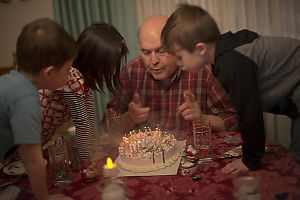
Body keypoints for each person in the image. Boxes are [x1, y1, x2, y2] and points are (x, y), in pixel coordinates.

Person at [161, 4, 300, 171]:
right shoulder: (227, 54)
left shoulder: (231, 63)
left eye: (179, 57)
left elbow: (249, 114)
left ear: (200, 49)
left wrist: (249, 162)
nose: (178, 64)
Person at [104, 14, 238, 134]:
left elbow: (233, 120)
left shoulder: (202, 70)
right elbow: (107, 125)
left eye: (162, 51)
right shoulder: (131, 72)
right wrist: (129, 118)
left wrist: (202, 118)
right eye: (146, 52)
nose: (154, 61)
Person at [0, 18, 77, 200]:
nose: (69, 77)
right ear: (49, 73)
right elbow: (34, 161)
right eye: (67, 71)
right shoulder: (26, 100)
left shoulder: (11, 81)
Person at [39, 22, 128, 160]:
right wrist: (86, 157)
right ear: (96, 59)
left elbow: (90, 115)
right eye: (112, 66)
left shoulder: (83, 81)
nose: (115, 71)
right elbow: (82, 122)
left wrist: (91, 146)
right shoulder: (71, 78)